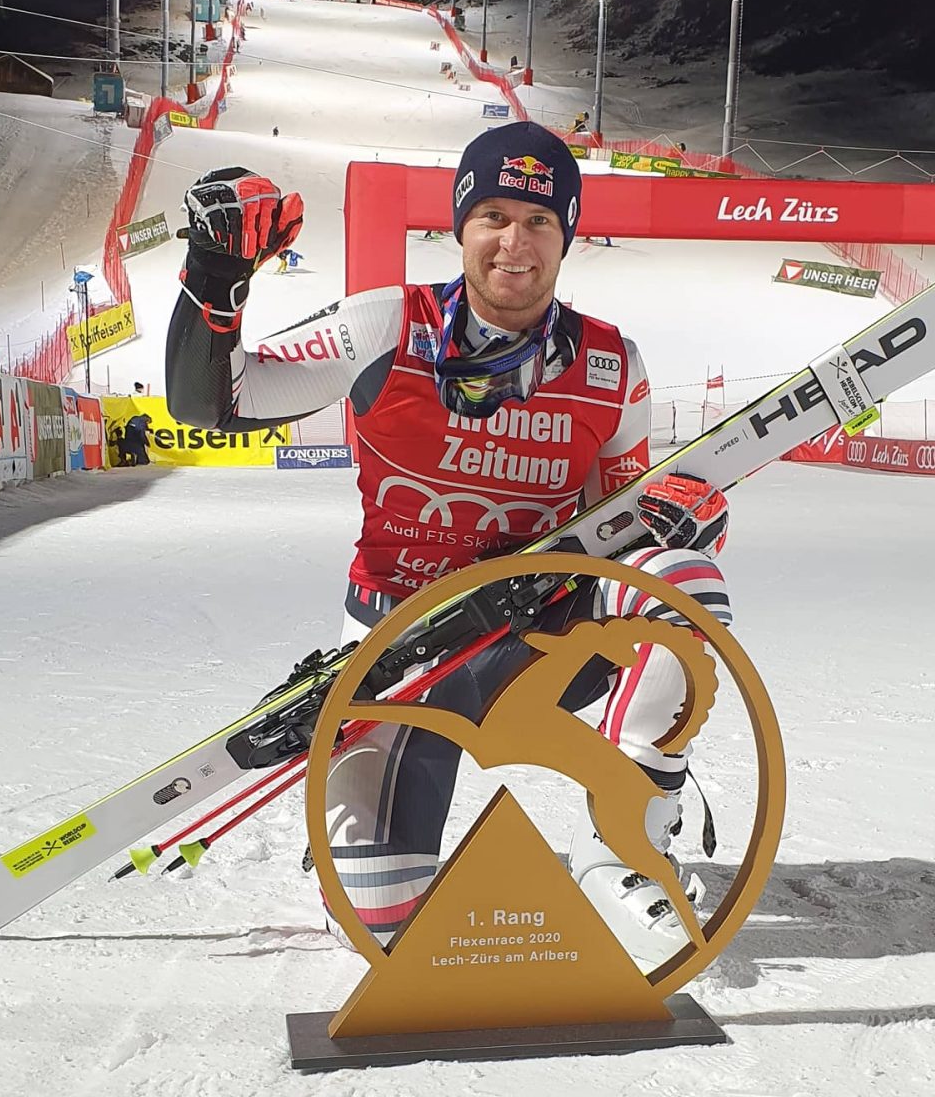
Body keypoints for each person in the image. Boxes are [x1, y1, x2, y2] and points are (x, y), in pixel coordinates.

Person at [164, 122, 732, 965]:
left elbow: (620, 522)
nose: (515, 241)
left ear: (566, 236)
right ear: (460, 225)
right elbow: (214, 403)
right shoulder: (386, 324)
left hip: (539, 636)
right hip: (405, 646)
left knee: (681, 577)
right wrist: (215, 275)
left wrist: (680, 515)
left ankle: (630, 842)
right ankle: (362, 850)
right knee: (382, 927)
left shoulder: (613, 364)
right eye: (494, 215)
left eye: (540, 220)